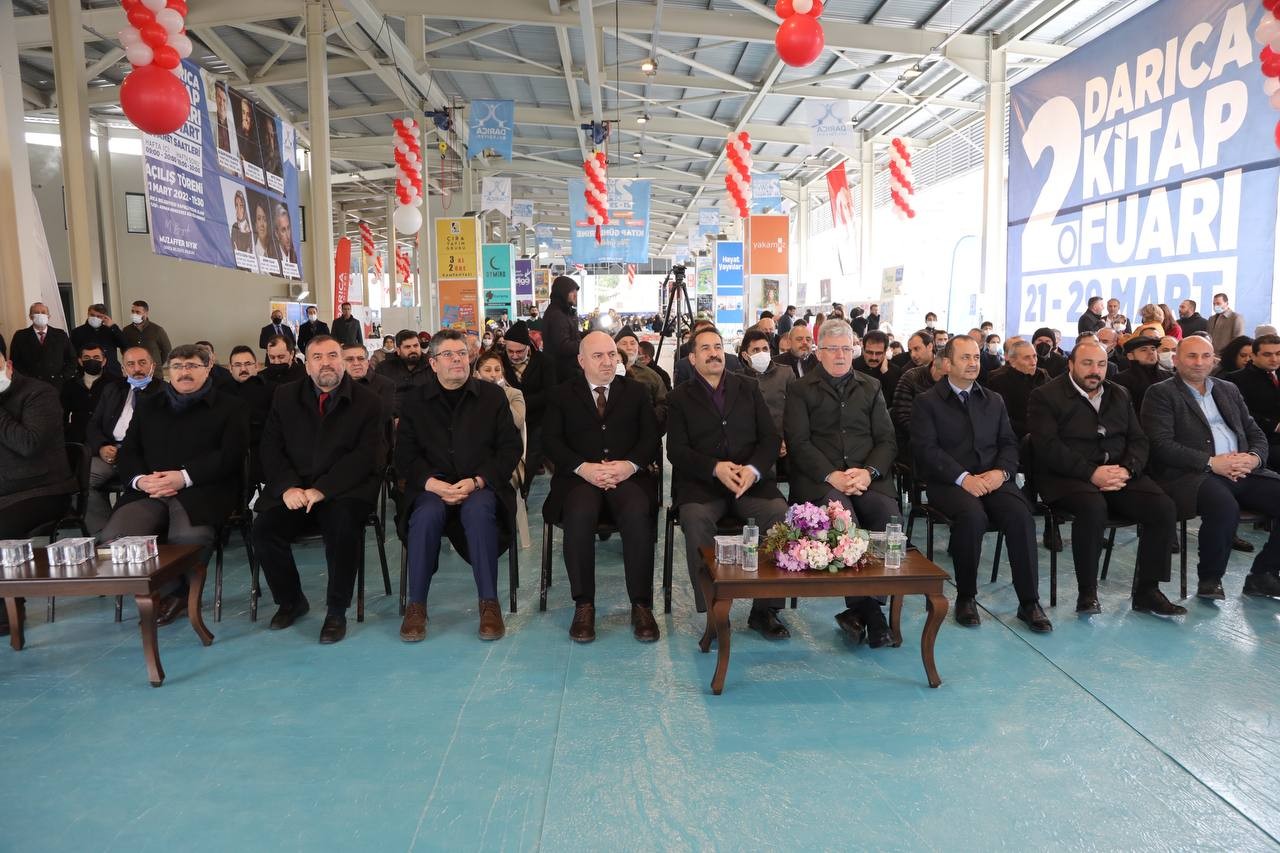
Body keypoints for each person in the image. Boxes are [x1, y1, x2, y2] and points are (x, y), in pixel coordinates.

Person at [1027, 340, 1184, 616]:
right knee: (1092, 508)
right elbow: (1047, 447)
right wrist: (1091, 473)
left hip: (1117, 473)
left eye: (1101, 364)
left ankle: (1147, 591)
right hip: (1067, 477)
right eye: (1087, 363)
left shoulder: (1119, 393)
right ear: (1071, 365)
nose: (1095, 371)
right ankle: (1087, 593)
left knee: (1162, 508)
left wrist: (1128, 469)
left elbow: (1138, 439)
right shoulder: (1046, 395)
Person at [98, 345, 249, 626]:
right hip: (151, 489)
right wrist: (141, 480)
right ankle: (160, 590)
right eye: (177, 367)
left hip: (203, 488)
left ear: (208, 369)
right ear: (168, 372)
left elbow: (231, 454)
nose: (184, 372)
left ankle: (181, 594)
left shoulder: (231, 406)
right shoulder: (149, 405)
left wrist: (184, 476)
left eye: (192, 366)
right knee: (117, 537)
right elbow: (130, 451)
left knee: (188, 539)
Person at [911, 337, 1051, 632]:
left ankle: (1029, 602)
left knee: (1020, 515)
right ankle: (966, 597)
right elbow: (927, 450)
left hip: (992, 478)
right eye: (965, 358)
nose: (973, 363)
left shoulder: (993, 399)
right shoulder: (928, 402)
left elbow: (1009, 443)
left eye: (976, 357)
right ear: (947, 363)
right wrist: (963, 478)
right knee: (972, 517)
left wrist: (1002, 473)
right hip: (949, 483)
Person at [253, 336, 384, 644]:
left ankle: (336, 610)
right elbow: (271, 448)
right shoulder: (285, 396)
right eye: (317, 357)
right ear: (306, 364)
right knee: (264, 530)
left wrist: (323, 489)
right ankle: (291, 601)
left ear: (344, 360)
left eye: (332, 355)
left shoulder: (368, 401)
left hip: (344, 489)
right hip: (294, 488)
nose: (326, 362)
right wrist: (287, 488)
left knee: (342, 528)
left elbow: (366, 456)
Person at [395, 331, 523, 642]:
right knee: (424, 517)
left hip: (480, 484)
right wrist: (432, 484)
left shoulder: (491, 397)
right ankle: (417, 605)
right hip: (431, 487)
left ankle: (489, 603)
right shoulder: (414, 401)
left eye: (462, 354)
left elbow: (509, 449)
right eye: (449, 354)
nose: (457, 359)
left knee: (479, 514)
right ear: (433, 363)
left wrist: (477, 480)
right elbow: (404, 457)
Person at [784, 319, 898, 647]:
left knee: (888, 517)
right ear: (818, 353)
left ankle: (862, 610)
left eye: (846, 349)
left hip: (866, 479)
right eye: (832, 349)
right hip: (821, 481)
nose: (840, 355)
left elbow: (887, 440)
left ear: (854, 351)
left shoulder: (870, 386)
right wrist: (831, 474)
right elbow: (799, 441)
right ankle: (873, 616)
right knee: (844, 521)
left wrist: (869, 472)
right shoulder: (800, 389)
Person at [670, 327, 790, 637]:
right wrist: (714, 468)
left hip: (749, 483)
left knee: (778, 512)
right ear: (693, 358)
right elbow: (677, 451)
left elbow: (769, 437)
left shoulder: (748, 387)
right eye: (706, 348)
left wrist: (753, 470)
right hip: (703, 486)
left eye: (718, 346)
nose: (714, 353)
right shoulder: (680, 397)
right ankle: (714, 608)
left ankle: (766, 610)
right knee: (694, 518)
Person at [542, 331, 660, 643]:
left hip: (626, 477)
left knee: (637, 513)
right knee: (578, 515)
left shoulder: (635, 392)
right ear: (581, 361)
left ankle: (641, 605)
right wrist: (583, 467)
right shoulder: (561, 394)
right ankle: (584, 605)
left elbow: (650, 438)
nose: (608, 361)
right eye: (599, 356)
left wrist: (629, 465)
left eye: (612, 354)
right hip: (579, 478)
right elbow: (551, 441)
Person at [1142, 336, 1280, 599]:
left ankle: (1264, 574)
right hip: (1194, 474)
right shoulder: (1161, 393)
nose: (1199, 363)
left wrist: (1253, 458)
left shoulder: (1227, 389)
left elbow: (1255, 432)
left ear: (1213, 359)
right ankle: (1210, 579)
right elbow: (1160, 445)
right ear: (1176, 360)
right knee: (1224, 507)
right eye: (1191, 356)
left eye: (1205, 356)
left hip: (1242, 468)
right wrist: (1211, 462)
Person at [0, 356, 78, 635]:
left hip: (42, 490)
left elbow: (28, 444)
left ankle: (7, 612)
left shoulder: (38, 393)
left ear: (8, 364)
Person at [84, 347, 165, 533]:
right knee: (81, 480)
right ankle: (104, 533)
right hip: (109, 454)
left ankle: (124, 528)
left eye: (142, 363)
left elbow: (162, 435)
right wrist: (103, 446)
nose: (137, 369)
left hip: (142, 458)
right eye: (131, 364)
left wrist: (127, 451)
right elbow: (93, 424)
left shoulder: (164, 392)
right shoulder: (112, 389)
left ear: (152, 366)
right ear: (123, 369)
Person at [501, 321, 555, 489]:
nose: (515, 356)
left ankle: (523, 493)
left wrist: (520, 402)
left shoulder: (544, 362)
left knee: (531, 460)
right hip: (508, 421)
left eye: (519, 351)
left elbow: (550, 393)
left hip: (537, 421)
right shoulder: (499, 362)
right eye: (510, 351)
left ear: (528, 347)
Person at [1225, 333, 1280, 473]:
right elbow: (1240, 414)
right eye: (1267, 354)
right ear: (1253, 356)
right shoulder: (1236, 379)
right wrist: (1275, 426)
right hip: (1264, 439)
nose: (1274, 359)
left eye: (1278, 353)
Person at [225, 345, 273, 484]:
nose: (243, 369)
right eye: (238, 365)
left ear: (257, 366)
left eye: (248, 364)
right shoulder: (220, 391)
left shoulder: (273, 390)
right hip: (229, 451)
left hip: (261, 449)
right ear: (230, 368)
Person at [738, 328, 793, 444]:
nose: (761, 353)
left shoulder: (785, 373)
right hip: (752, 444)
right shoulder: (738, 378)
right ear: (745, 355)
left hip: (783, 440)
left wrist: (786, 440)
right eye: (756, 350)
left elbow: (794, 411)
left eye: (765, 349)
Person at [985, 339, 1047, 440]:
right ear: (1012, 361)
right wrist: (1034, 431)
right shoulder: (999, 381)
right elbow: (1003, 418)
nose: (1033, 362)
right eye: (1027, 358)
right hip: (1017, 438)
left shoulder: (1043, 375)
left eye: (1034, 356)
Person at [9, 302, 76, 390]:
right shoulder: (20, 336)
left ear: (49, 316)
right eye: (36, 312)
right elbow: (15, 362)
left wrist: (63, 377)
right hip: (30, 386)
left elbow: (72, 359)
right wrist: (26, 380)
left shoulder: (60, 335)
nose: (40, 315)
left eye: (43, 312)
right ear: (30, 316)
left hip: (57, 385)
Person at [60, 344, 117, 444]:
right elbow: (62, 415)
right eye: (87, 358)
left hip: (107, 440)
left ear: (104, 361)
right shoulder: (69, 385)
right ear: (80, 361)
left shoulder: (115, 383)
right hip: (78, 440)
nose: (92, 360)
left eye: (96, 357)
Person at [615, 328, 668, 431]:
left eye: (633, 343)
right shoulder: (607, 372)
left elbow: (664, 403)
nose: (629, 347)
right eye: (624, 343)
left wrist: (649, 419)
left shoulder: (651, 375)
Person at [378, 329, 436, 417]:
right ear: (398, 350)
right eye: (407, 347)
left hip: (426, 418)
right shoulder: (384, 368)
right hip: (393, 420)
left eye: (416, 346)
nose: (413, 350)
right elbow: (378, 397)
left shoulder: (432, 365)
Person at [891, 351, 945, 437]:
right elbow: (902, 416)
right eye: (943, 376)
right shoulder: (911, 378)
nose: (947, 381)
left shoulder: (954, 381)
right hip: (914, 437)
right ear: (934, 364)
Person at [1113, 335, 1171, 413]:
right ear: (1130, 356)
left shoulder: (1169, 377)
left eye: (1153, 349)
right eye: (1144, 350)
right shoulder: (1121, 379)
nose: (1151, 352)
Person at [543, 275, 583, 380]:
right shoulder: (557, 315)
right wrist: (586, 344)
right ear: (562, 293)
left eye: (576, 292)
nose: (575, 295)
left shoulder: (564, 312)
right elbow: (563, 346)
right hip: (562, 373)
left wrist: (589, 334)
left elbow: (572, 334)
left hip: (566, 370)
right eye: (572, 292)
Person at [70, 304, 128, 375]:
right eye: (92, 315)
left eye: (99, 316)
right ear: (88, 314)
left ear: (104, 317)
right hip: (86, 373)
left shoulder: (111, 330)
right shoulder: (77, 332)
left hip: (111, 372)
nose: (95, 318)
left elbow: (125, 344)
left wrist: (113, 327)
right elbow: (72, 354)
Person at [342, 342, 394, 422]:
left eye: (361, 358)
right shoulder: (336, 384)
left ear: (367, 362)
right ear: (341, 363)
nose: (356, 363)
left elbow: (381, 418)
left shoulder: (385, 384)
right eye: (350, 359)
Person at [852, 330, 902, 406]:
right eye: (869, 352)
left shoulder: (894, 370)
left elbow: (893, 400)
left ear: (885, 352)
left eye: (878, 353)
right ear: (863, 350)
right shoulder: (852, 366)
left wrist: (886, 374)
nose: (874, 358)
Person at [121, 300, 172, 366]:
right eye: (132, 311)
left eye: (138, 312)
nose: (134, 314)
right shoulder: (126, 330)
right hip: (134, 371)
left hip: (154, 372)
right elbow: (124, 350)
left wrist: (157, 364)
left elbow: (167, 351)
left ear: (146, 313)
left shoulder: (157, 330)